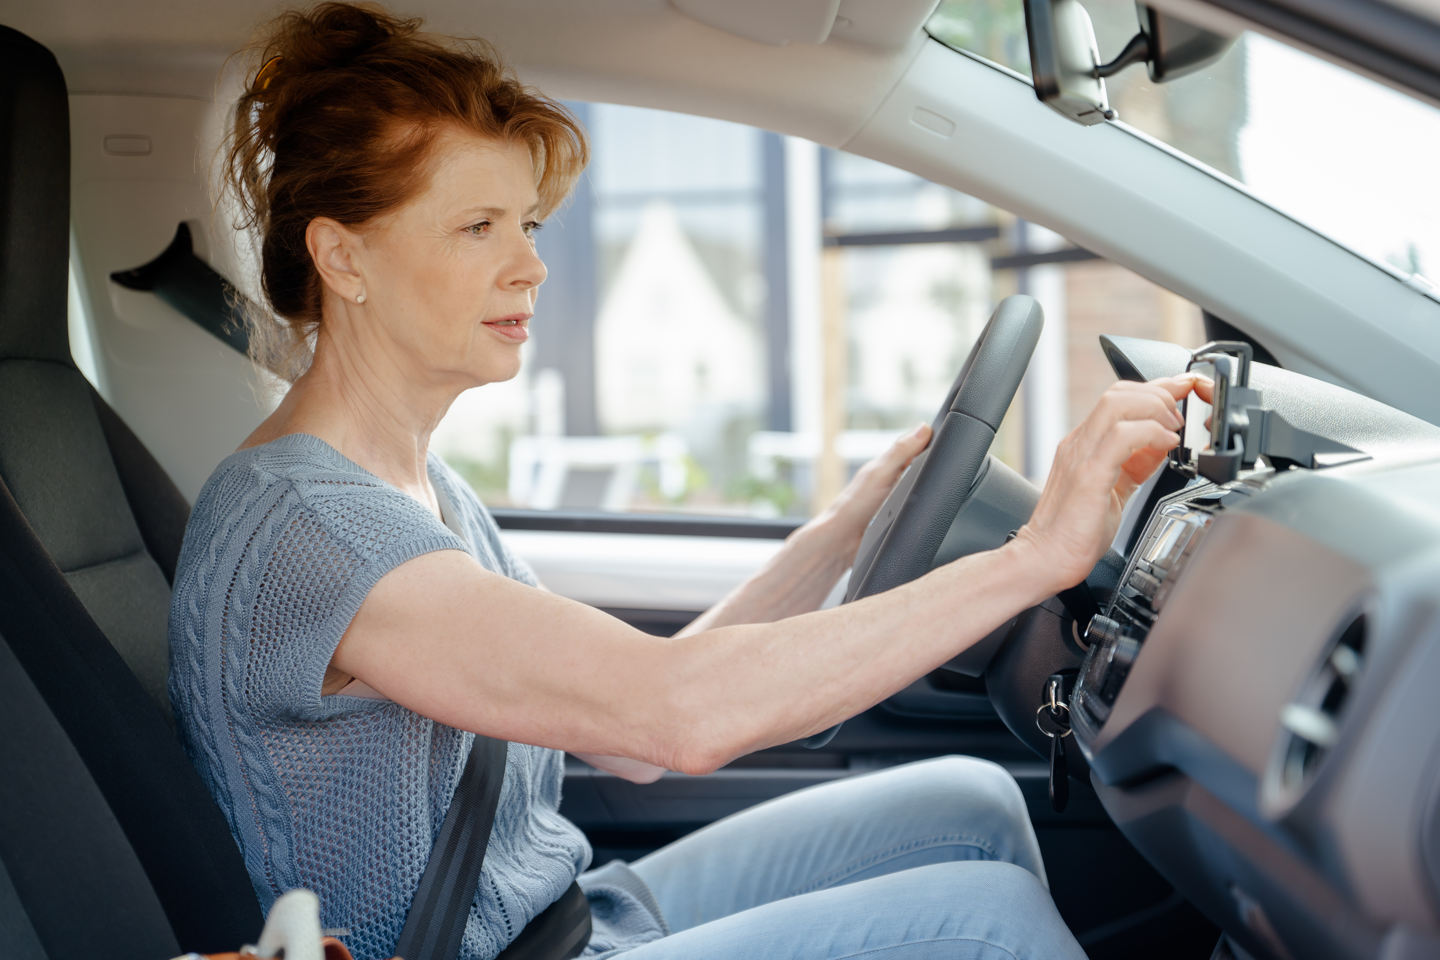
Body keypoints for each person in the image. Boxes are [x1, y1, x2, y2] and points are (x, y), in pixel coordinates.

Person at [168, 4, 1209, 959]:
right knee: (986, 926)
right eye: (476, 227)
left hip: (570, 916)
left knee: (971, 804)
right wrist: (1039, 558)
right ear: (343, 259)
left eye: (525, 224)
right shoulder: (311, 528)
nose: (530, 266)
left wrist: (846, 529)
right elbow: (676, 719)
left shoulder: (411, 485)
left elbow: (632, 736)